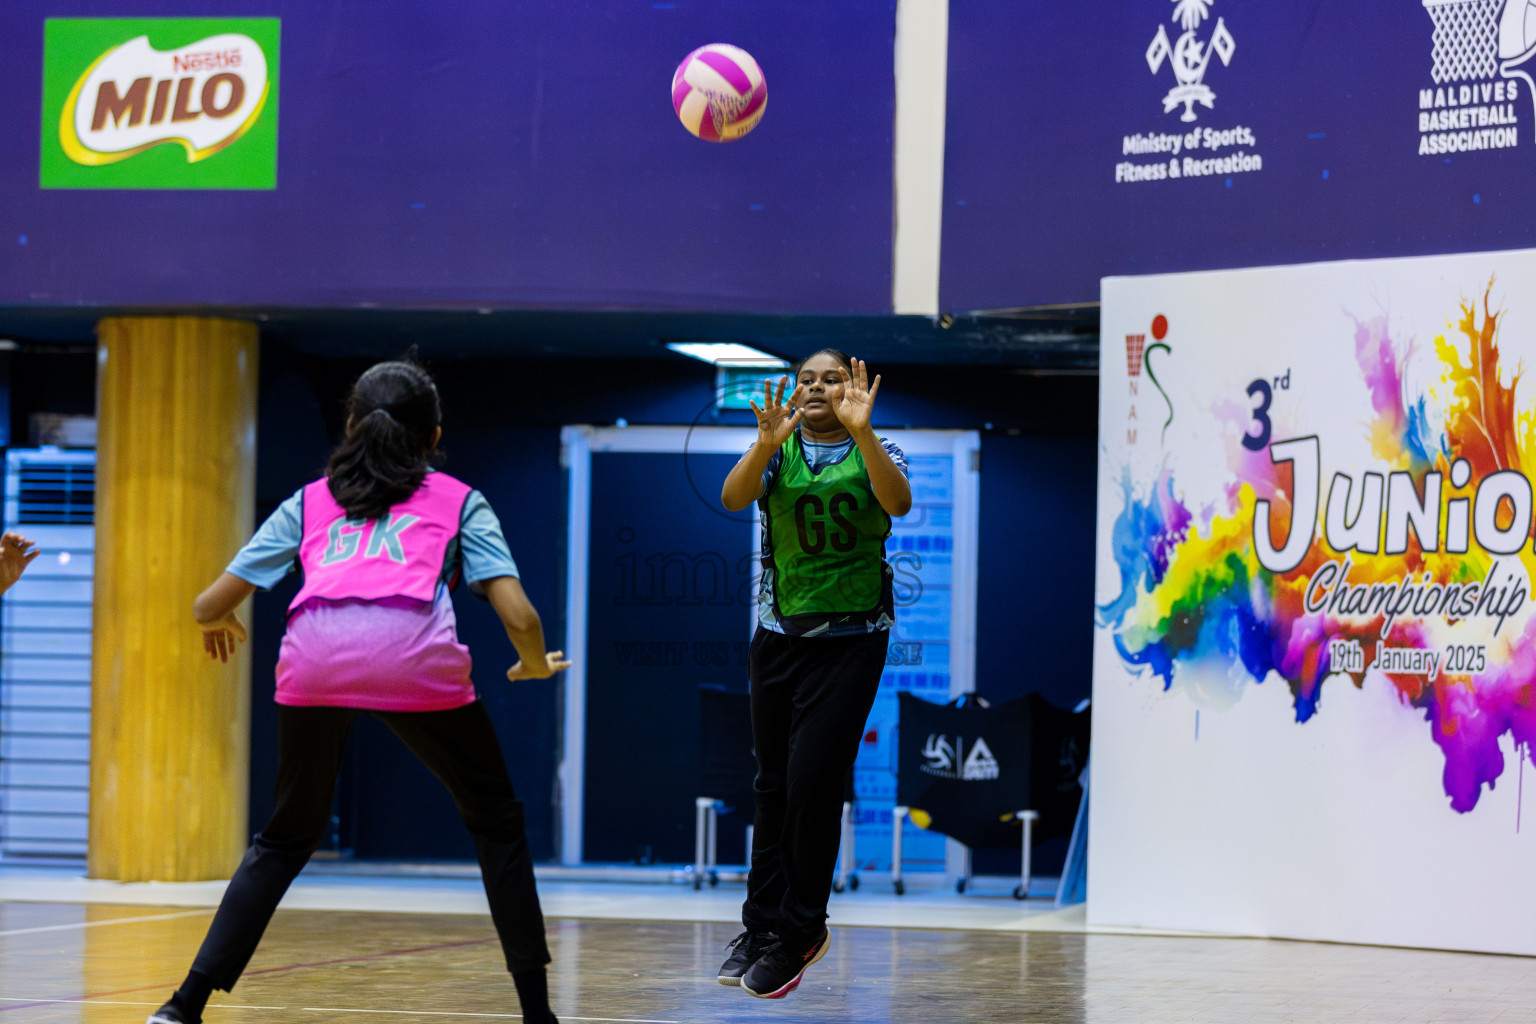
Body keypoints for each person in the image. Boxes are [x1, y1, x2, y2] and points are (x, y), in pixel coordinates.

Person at [149, 360, 569, 1024]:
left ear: (350, 426)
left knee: (285, 839)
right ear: (434, 437)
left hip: (312, 661)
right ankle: (538, 1014)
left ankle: (182, 1005)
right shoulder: (460, 499)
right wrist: (534, 665)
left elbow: (208, 604)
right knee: (496, 824)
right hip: (412, 661)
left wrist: (219, 619)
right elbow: (519, 617)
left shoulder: (311, 500)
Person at [716, 349, 911, 999]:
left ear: (852, 389)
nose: (819, 387)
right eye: (807, 379)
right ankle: (760, 927)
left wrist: (862, 435)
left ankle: (802, 930)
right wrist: (761, 443)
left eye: (832, 378)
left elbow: (899, 504)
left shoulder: (878, 448)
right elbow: (732, 496)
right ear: (794, 392)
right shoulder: (777, 452)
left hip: (852, 642)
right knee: (771, 786)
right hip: (778, 637)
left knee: (811, 784)